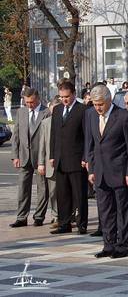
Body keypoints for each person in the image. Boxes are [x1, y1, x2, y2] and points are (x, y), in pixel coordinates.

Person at [87, 85, 128, 259]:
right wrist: (91, 169)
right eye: (94, 104)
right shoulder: (91, 115)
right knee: (105, 212)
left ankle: (122, 246)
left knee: (123, 211)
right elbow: (90, 145)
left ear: (109, 100)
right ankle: (108, 244)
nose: (98, 107)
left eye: (100, 104)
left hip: (121, 172)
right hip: (100, 172)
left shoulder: (123, 117)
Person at [50, 80, 88, 234]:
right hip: (60, 159)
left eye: (66, 96)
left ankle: (81, 224)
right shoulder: (58, 110)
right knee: (62, 194)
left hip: (76, 159)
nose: (64, 100)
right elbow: (54, 135)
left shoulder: (82, 110)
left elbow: (86, 136)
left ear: (73, 94)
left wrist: (85, 157)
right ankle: (64, 223)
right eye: (61, 97)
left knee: (79, 194)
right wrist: (52, 155)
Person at [9, 88, 50, 228]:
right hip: (24, 156)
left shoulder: (46, 112)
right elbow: (15, 136)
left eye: (32, 102)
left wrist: (44, 159)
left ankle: (39, 217)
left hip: (40, 157)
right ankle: (21, 217)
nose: (29, 105)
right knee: (23, 188)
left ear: (37, 99)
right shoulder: (21, 112)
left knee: (42, 188)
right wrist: (15, 156)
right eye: (27, 102)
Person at [37, 96, 61, 229]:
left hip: (65, 162)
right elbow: (42, 144)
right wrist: (41, 163)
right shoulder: (45, 123)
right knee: (53, 192)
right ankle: (56, 216)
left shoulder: (65, 120)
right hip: (50, 164)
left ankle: (71, 214)